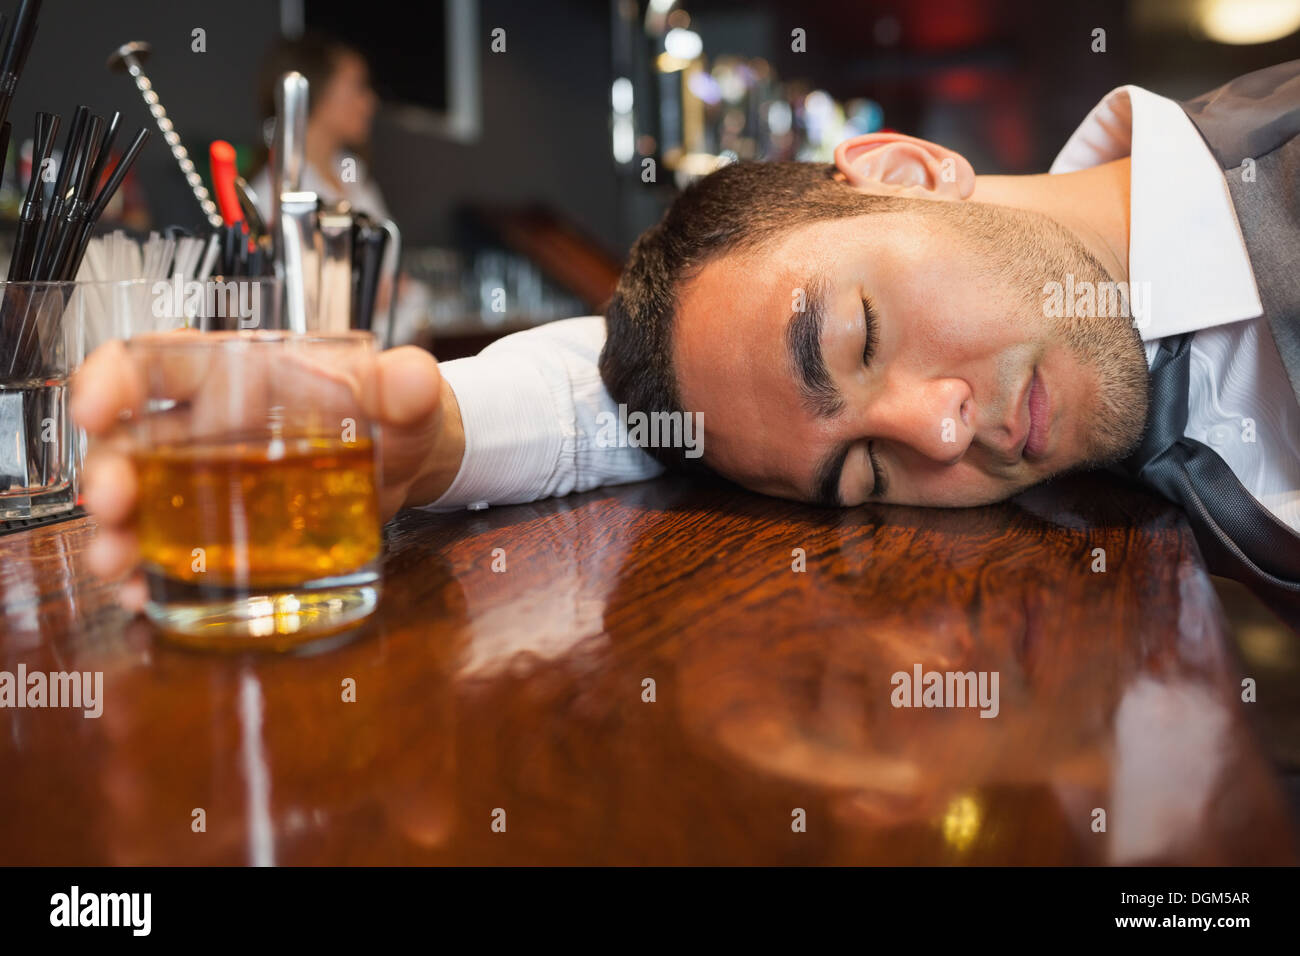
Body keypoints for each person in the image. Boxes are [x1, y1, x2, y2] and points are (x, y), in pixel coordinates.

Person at [73, 61, 1300, 623]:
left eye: (858, 336)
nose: (940, 430)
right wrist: (438, 431)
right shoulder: (1085, 361)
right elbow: (700, 392)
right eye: (868, 479)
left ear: (910, 170)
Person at [249, 32, 430, 343]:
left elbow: (401, 287)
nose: (370, 102)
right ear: (316, 91)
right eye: (358, 87)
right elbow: (279, 306)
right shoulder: (272, 192)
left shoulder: (354, 176)